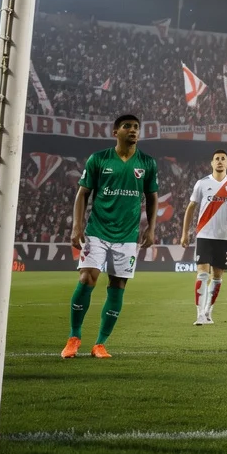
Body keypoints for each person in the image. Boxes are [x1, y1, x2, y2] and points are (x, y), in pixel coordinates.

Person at [62, 113, 159, 359]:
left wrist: (151, 228)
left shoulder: (147, 163)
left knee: (118, 286)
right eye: (127, 126)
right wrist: (77, 226)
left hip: (127, 236)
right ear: (115, 132)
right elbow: (82, 194)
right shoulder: (99, 159)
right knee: (87, 278)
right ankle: (74, 337)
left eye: (136, 127)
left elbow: (152, 197)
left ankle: (100, 344)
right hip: (97, 231)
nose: (133, 130)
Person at [180, 149, 227, 325]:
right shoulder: (202, 183)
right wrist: (185, 233)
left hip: (224, 237)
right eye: (216, 159)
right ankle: (199, 314)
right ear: (211, 163)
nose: (220, 161)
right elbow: (191, 207)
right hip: (204, 234)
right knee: (202, 273)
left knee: (217, 276)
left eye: (223, 158)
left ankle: (208, 312)